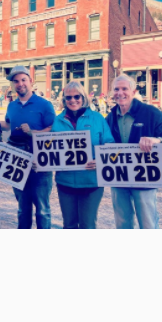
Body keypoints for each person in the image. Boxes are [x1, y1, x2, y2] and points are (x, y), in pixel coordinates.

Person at [106, 74, 162, 229]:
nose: (120, 93)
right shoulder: (111, 117)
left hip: (145, 178)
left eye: (125, 89)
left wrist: (157, 140)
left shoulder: (150, 112)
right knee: (122, 223)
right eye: (116, 89)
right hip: (119, 178)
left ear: (133, 91)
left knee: (148, 223)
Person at [51, 81, 115, 229]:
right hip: (65, 182)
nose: (72, 100)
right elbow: (51, 148)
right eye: (68, 97)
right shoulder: (58, 120)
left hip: (92, 182)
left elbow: (109, 145)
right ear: (64, 100)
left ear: (83, 97)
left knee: (88, 225)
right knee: (69, 225)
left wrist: (101, 160)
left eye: (76, 96)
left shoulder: (97, 118)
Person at [1, 65, 55, 229]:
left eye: (23, 80)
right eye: (16, 81)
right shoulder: (12, 105)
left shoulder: (44, 104)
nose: (20, 84)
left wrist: (34, 132)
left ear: (31, 81)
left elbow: (54, 129)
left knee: (42, 209)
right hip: (17, 158)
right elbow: (8, 125)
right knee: (22, 208)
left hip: (40, 159)